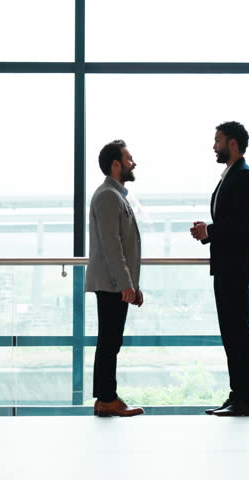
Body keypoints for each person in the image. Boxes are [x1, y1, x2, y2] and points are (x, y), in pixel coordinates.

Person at [190, 121, 249, 417]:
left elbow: (238, 224)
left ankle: (245, 399)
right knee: (231, 332)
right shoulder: (233, 176)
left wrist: (210, 230)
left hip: (234, 266)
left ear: (233, 143)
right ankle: (238, 396)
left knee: (238, 332)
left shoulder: (244, 177)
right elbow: (232, 222)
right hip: (227, 265)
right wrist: (209, 232)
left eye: (218, 140)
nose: (214, 145)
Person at [85, 139, 145, 417]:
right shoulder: (108, 196)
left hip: (115, 283)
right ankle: (107, 398)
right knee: (109, 341)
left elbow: (122, 246)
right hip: (111, 284)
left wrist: (132, 284)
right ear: (116, 164)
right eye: (129, 159)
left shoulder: (116, 194)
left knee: (111, 340)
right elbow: (112, 246)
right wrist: (125, 284)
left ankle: (107, 398)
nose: (134, 163)